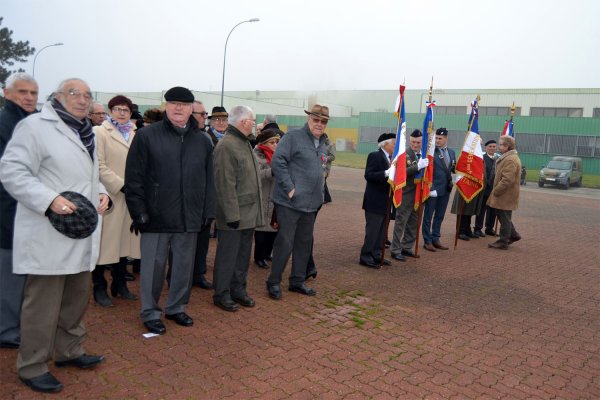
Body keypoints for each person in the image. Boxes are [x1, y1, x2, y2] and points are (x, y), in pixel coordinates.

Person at [0, 78, 109, 393]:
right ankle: (32, 366)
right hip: (49, 231)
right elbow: (12, 171)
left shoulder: (84, 131)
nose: (82, 99)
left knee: (75, 299)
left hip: (80, 232)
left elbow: (86, 177)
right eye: (74, 93)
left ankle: (70, 351)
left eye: (87, 94)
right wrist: (48, 200)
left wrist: (102, 194)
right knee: (42, 305)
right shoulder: (35, 127)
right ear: (59, 97)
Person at [125, 86, 215, 335]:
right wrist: (138, 211)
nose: (178, 108)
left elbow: (209, 180)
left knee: (184, 267)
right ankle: (150, 312)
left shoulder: (202, 141)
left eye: (184, 105)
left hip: (189, 216)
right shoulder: (147, 136)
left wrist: (208, 210)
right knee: (153, 267)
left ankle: (176, 307)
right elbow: (133, 178)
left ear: (191, 110)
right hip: (156, 214)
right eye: (173, 103)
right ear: (166, 106)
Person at [266, 104, 330, 300]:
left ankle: (297, 281)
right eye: (316, 119)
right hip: (289, 202)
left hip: (311, 204)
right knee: (285, 242)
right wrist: (290, 188)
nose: (319, 124)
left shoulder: (323, 142)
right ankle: (273, 282)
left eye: (323, 121)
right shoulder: (293, 137)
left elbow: (322, 167)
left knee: (304, 242)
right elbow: (278, 161)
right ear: (309, 119)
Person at [0, 73, 38, 350]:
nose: (28, 97)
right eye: (22, 92)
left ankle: (18, 325)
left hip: (31, 211)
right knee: (9, 277)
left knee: (24, 277)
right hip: (8, 213)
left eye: (33, 93)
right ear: (6, 93)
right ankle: (7, 330)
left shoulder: (33, 123)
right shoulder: (5, 124)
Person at [212, 105, 263, 312]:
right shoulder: (227, 145)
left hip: (247, 212)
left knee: (242, 255)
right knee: (227, 256)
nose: (254, 124)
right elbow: (225, 183)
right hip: (234, 214)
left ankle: (238, 289)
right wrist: (232, 214)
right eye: (252, 120)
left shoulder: (243, 142)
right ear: (243, 122)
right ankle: (221, 293)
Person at [92, 95, 140, 307]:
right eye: (118, 109)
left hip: (131, 198)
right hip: (110, 196)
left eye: (126, 110)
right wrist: (121, 185)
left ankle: (120, 285)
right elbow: (99, 165)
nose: (122, 113)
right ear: (110, 111)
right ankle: (99, 287)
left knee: (124, 244)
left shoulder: (136, 134)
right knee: (104, 245)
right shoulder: (99, 132)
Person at [389, 129, 429, 261]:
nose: (415, 145)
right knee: (401, 222)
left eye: (418, 142)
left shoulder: (425, 155)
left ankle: (406, 247)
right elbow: (402, 173)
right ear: (409, 141)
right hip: (406, 193)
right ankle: (395, 249)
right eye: (413, 142)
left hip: (419, 194)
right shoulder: (404, 154)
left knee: (414, 223)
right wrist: (418, 166)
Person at [359, 132, 396, 268]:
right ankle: (365, 256)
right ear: (385, 144)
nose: (395, 146)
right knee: (373, 231)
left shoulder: (392, 158)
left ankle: (377, 254)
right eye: (393, 143)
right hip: (374, 200)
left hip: (386, 200)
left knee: (381, 231)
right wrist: (385, 173)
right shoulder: (375, 155)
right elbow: (368, 175)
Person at [189, 99, 214, 290]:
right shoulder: (180, 137)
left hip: (202, 201)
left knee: (202, 243)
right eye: (202, 114)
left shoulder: (205, 139)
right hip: (185, 202)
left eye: (205, 114)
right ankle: (177, 277)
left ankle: (198, 274)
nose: (205, 117)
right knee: (182, 246)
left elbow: (210, 173)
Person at [422, 127, 456, 252]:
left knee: (440, 216)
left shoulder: (452, 152)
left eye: (440, 138)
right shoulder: (430, 152)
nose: (437, 140)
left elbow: (452, 168)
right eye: (436, 138)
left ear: (446, 138)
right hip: (433, 190)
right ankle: (427, 240)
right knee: (428, 216)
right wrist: (431, 188)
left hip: (446, 189)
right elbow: (427, 172)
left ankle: (435, 238)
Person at [253, 127, 282, 269]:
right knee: (261, 230)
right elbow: (257, 175)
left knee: (273, 228)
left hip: (275, 197)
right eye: (273, 142)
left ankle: (267, 254)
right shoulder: (257, 155)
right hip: (263, 196)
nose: (276, 145)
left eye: (277, 142)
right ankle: (259, 256)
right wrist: (273, 171)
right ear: (265, 143)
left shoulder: (279, 156)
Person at [487, 135, 522, 250]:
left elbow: (507, 179)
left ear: (507, 146)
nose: (499, 146)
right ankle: (513, 234)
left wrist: (496, 191)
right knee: (503, 216)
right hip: (505, 194)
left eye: (501, 144)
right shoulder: (508, 157)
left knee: (504, 217)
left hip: (505, 194)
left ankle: (503, 241)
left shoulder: (510, 159)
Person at [474, 140, 497, 237]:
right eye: (490, 146)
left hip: (495, 189)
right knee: (481, 210)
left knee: (492, 211)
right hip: (484, 189)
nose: (492, 148)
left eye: (494, 146)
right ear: (486, 148)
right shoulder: (482, 158)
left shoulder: (498, 159)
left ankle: (489, 228)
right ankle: (478, 229)